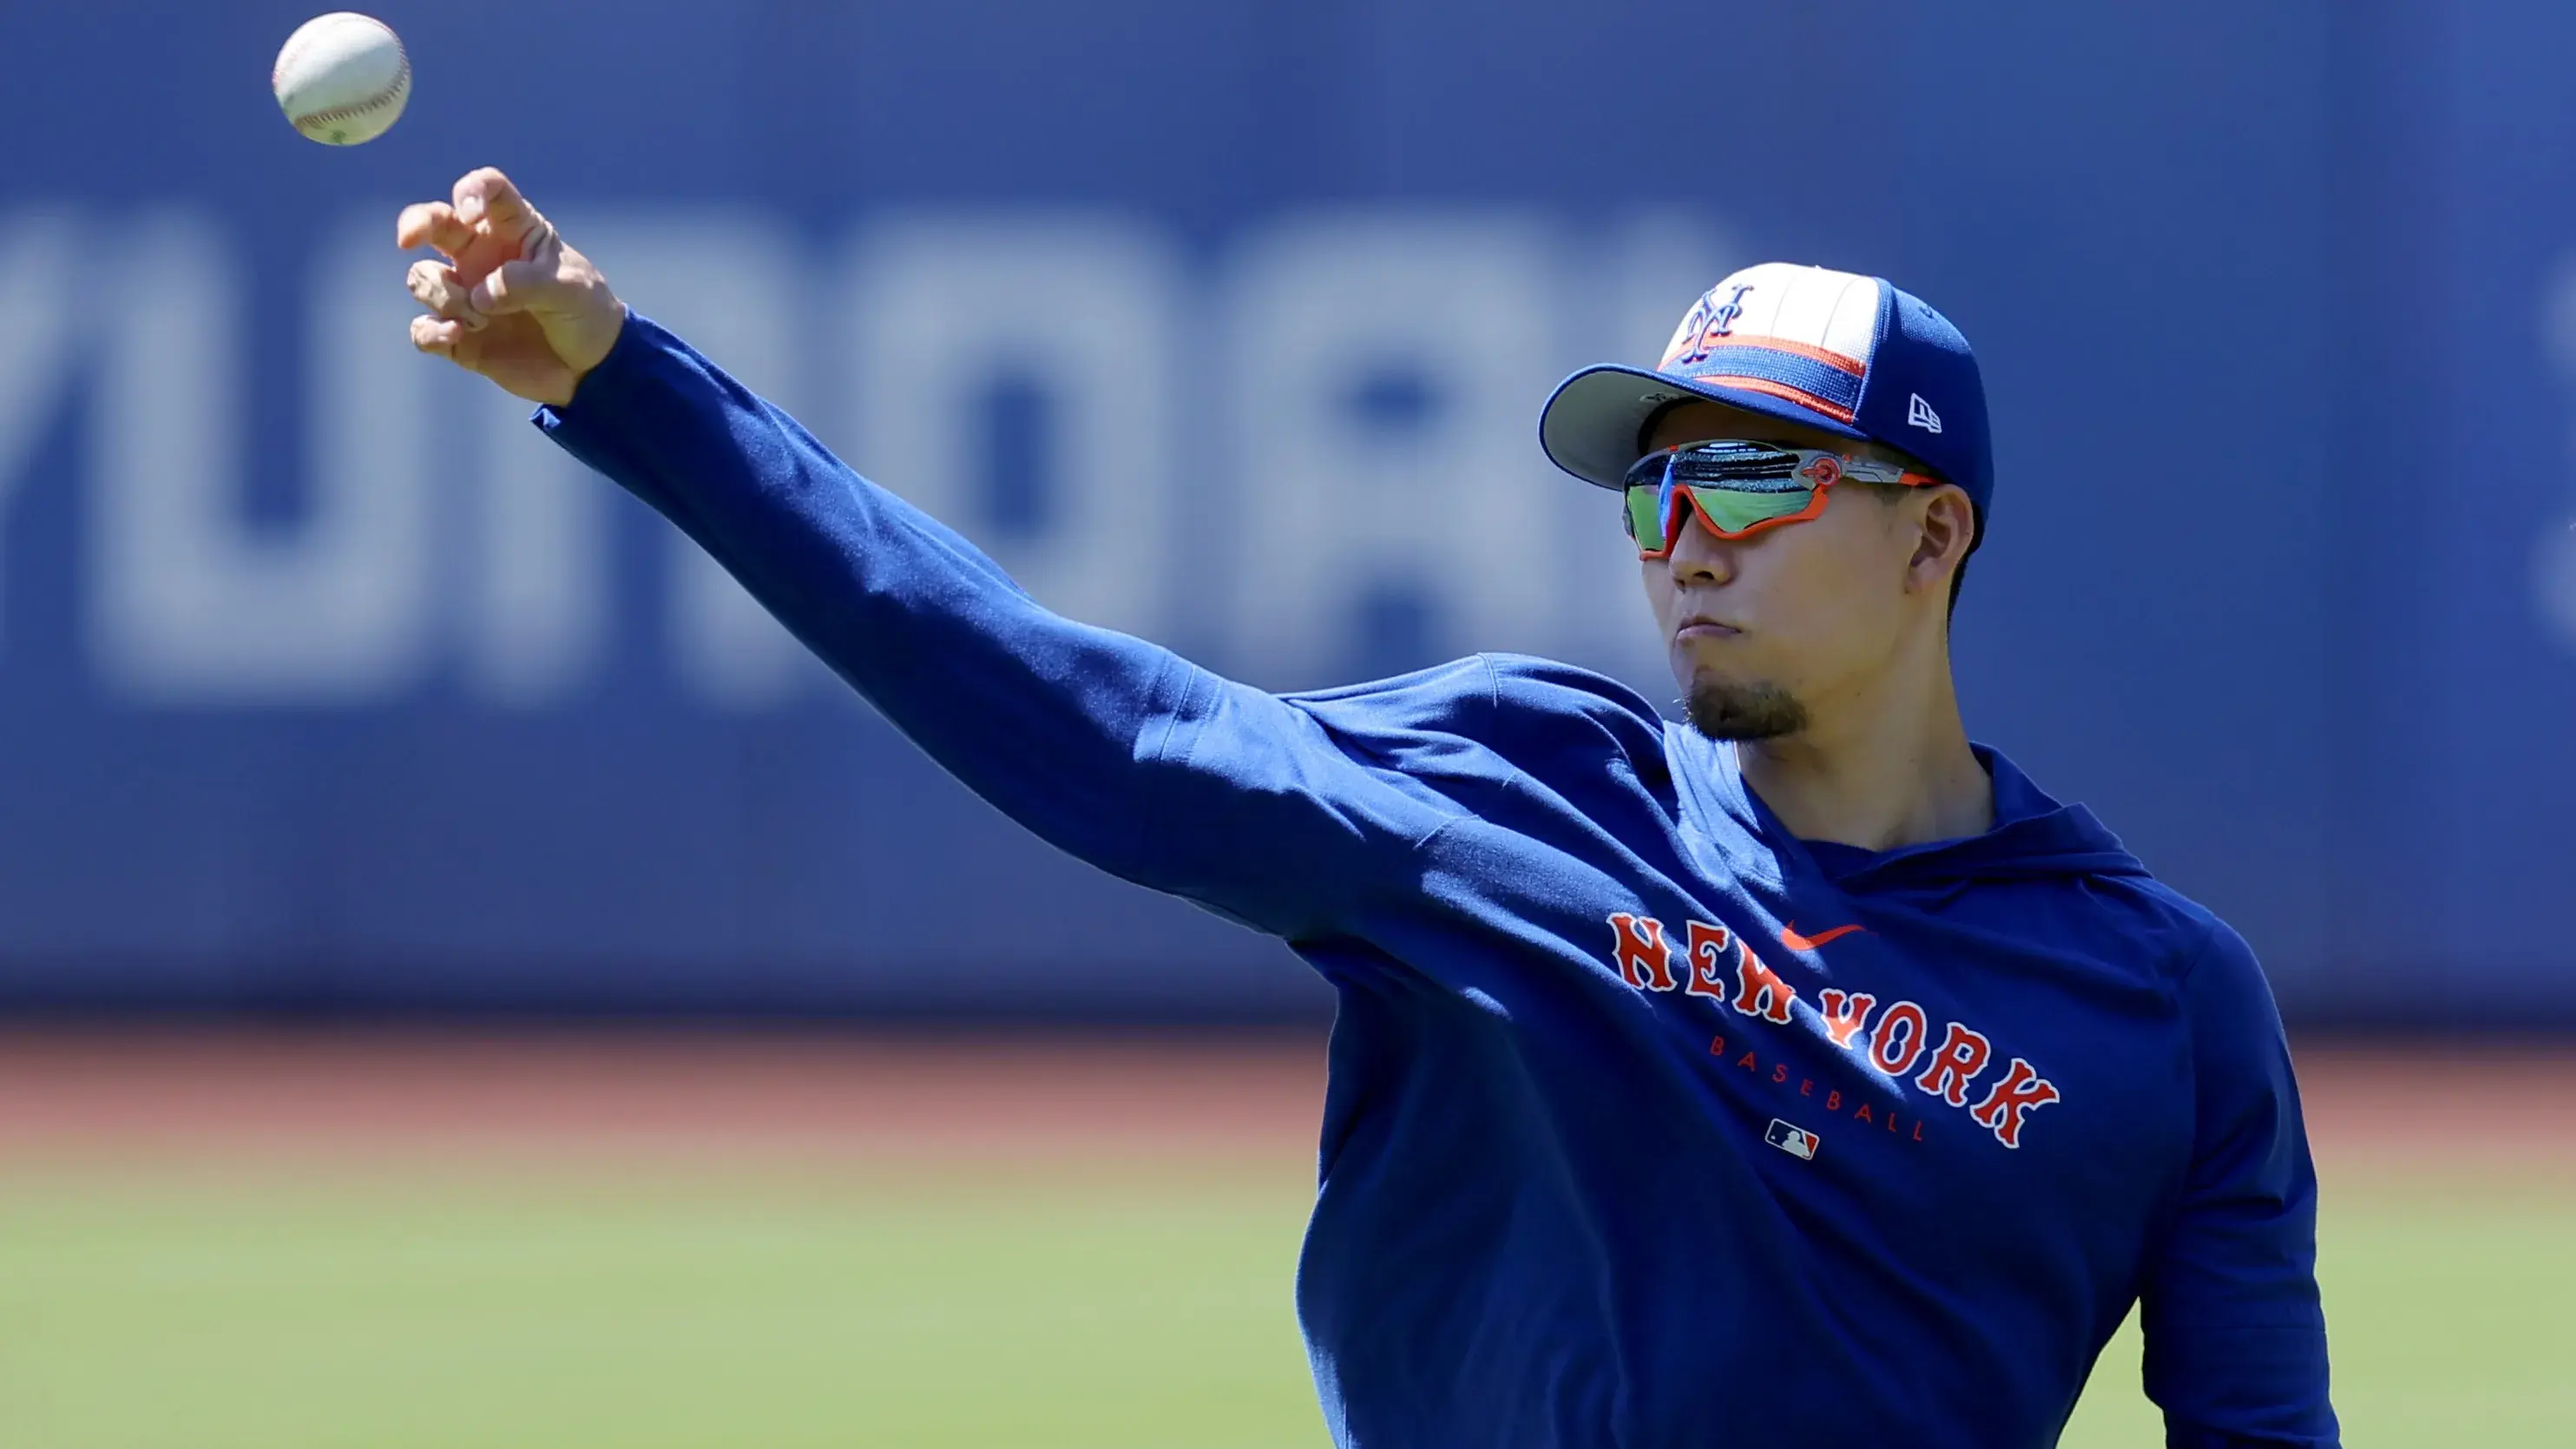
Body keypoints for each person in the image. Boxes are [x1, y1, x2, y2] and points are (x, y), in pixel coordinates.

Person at [398, 167, 2337, 1448]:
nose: (1681, 542)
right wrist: (627, 387)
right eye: (1651, 489)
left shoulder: (2160, 1003)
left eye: (1747, 479)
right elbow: (1072, 707)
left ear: (1931, 533)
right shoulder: (1506, 797)